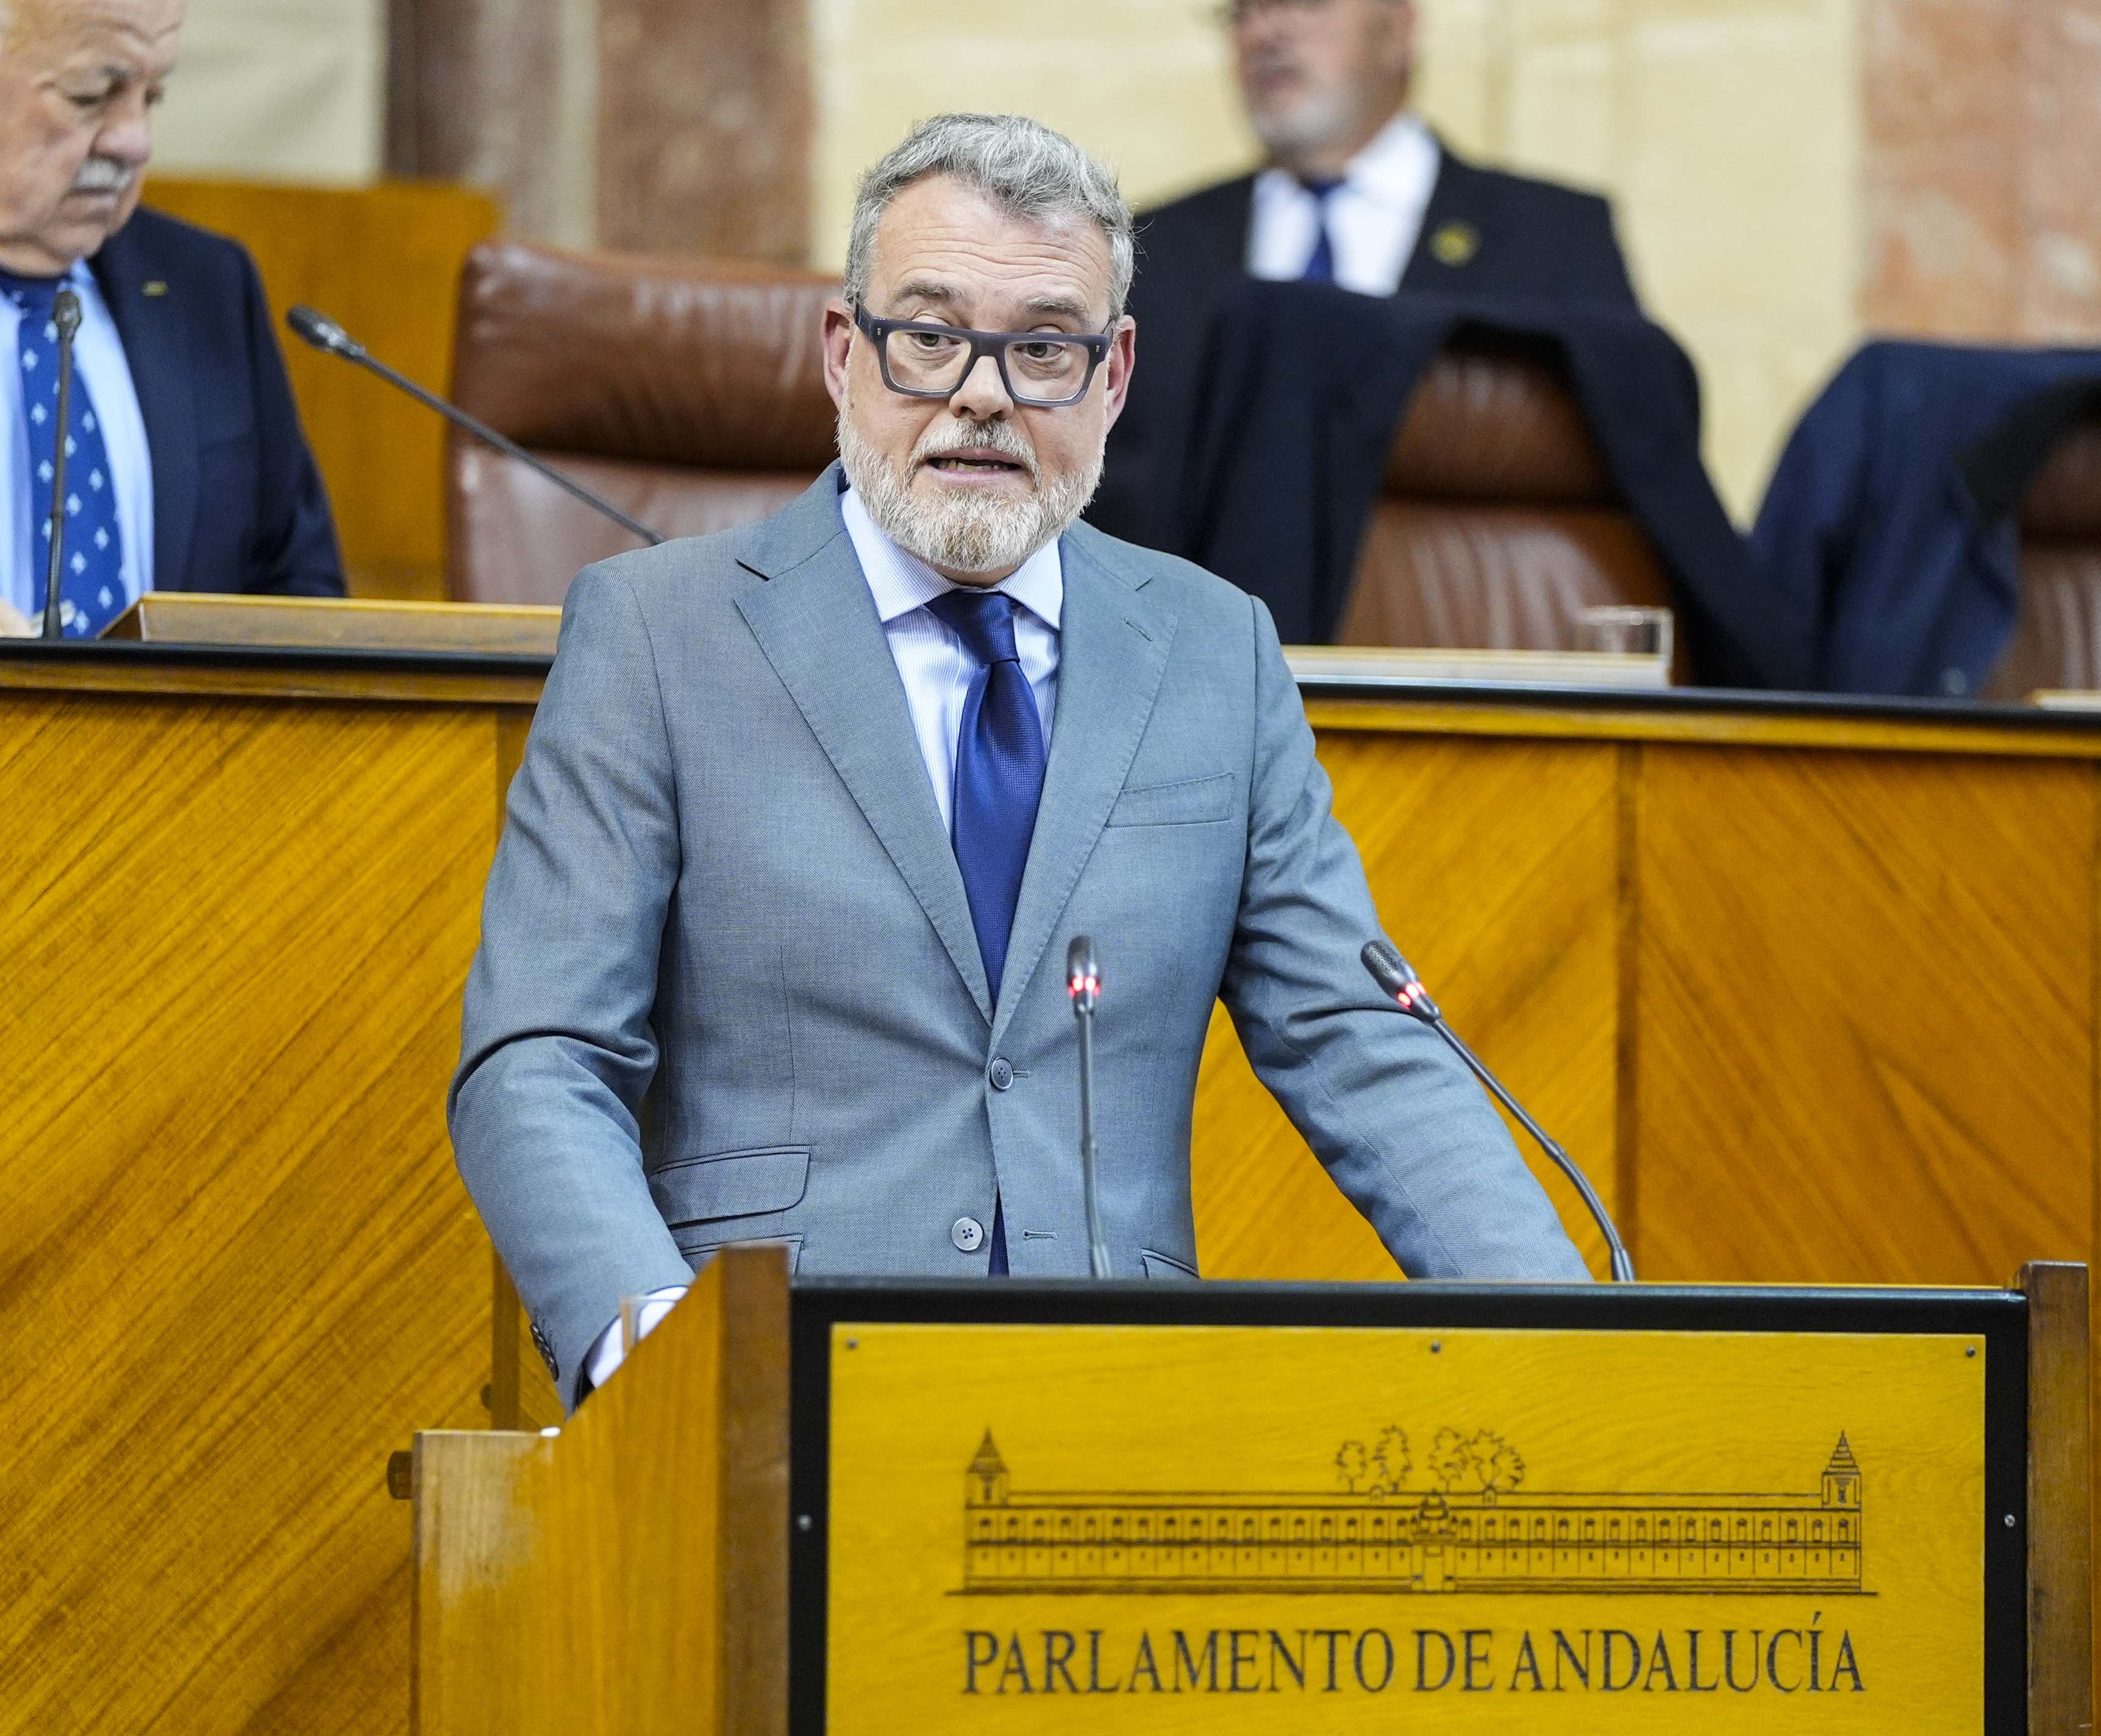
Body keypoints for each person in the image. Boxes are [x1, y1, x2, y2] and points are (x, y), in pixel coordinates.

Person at [451, 113, 1593, 1410]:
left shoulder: (1214, 651)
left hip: (1119, 1413)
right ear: (843, 354)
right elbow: (538, 1059)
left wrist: (1574, 1347)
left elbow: (1353, 1038)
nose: (980, 394)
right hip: (765, 1401)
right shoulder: (658, 633)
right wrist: (664, 1377)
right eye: (929, 336)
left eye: (1040, 347)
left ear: (1111, 377)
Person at [1091, 0, 1639, 547]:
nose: (1265, 31)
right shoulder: (1150, 246)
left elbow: (1632, 472)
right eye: (1243, 12)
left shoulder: (1551, 234)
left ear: (1398, 28)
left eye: (1301, 4)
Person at [0, 0, 341, 638]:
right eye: (91, 95)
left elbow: (299, 590)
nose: (134, 140)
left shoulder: (207, 286)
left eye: (151, 96)